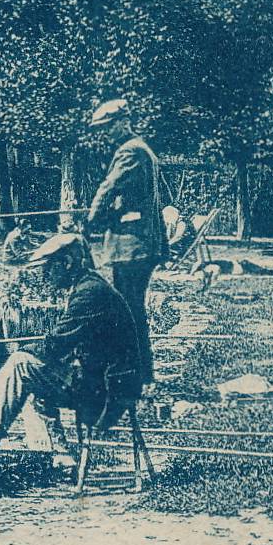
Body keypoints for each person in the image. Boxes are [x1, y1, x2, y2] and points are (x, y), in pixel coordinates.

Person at [0, 232, 142, 462]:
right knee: (34, 371)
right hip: (109, 381)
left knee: (20, 364)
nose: (44, 274)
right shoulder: (89, 285)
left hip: (108, 388)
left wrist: (24, 349)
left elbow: (54, 345)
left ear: (67, 263)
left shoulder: (89, 294)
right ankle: (60, 455)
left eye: (49, 267)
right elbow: (65, 345)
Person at [84, 98, 168, 387]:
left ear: (123, 122)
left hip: (132, 245)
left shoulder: (130, 151)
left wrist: (92, 219)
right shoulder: (144, 149)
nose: (104, 134)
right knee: (133, 309)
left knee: (128, 311)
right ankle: (141, 374)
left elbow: (108, 187)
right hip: (140, 242)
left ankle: (137, 375)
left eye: (107, 128)